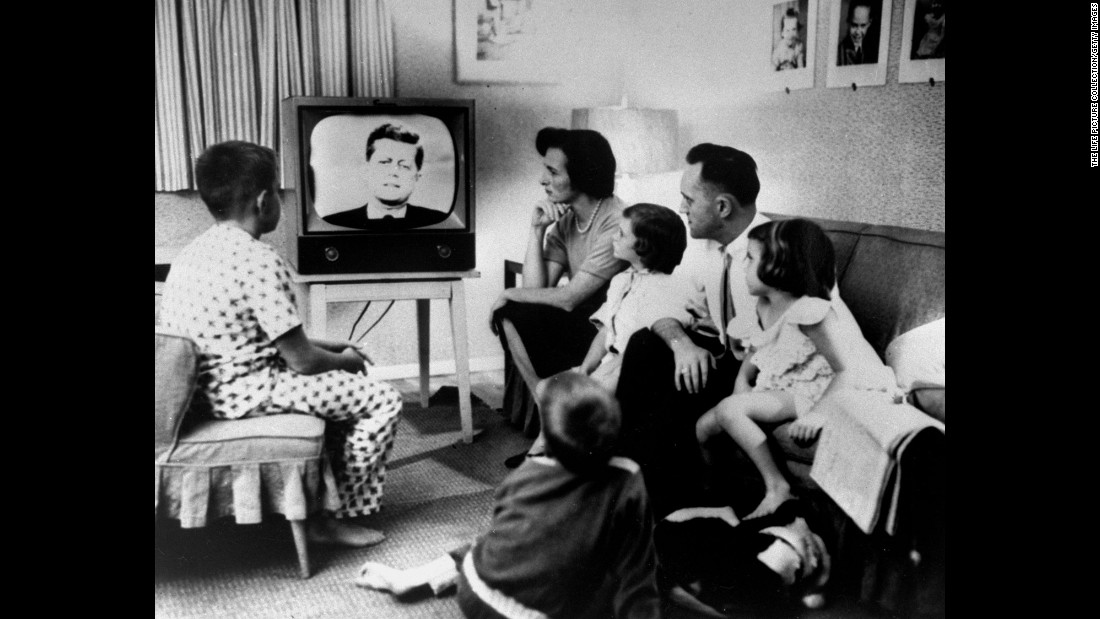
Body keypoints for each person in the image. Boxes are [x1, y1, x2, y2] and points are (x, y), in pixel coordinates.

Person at [160, 140, 403, 547]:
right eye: (276, 190)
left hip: (203, 392)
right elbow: (304, 362)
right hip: (247, 392)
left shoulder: (194, 252)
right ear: (262, 201)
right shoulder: (259, 259)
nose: (279, 200)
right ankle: (333, 515)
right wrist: (345, 361)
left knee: (343, 392)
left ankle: (321, 493)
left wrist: (332, 345)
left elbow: (259, 336)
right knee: (383, 400)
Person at [354, 372, 661, 619]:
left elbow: (500, 528)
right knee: (609, 581)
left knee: (487, 543)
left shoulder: (529, 471)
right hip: (532, 612)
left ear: (549, 438)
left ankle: (416, 577)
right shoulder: (627, 479)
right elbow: (638, 580)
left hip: (475, 590)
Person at [695, 219, 899, 520]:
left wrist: (819, 413)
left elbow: (845, 370)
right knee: (703, 427)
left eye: (750, 258)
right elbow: (757, 349)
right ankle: (721, 498)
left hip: (817, 386)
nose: (743, 265)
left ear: (779, 267)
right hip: (782, 381)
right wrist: (742, 381)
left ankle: (777, 487)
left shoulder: (810, 311)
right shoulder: (763, 304)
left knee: (729, 411)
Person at [612, 143, 771, 518]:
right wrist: (681, 343)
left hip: (765, 371)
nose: (681, 208)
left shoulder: (778, 249)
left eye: (687, 199)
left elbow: (786, 339)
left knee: (676, 392)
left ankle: (656, 505)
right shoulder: (706, 248)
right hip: (726, 357)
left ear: (722, 207)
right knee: (647, 344)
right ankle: (626, 486)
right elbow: (666, 305)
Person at [491, 127, 628, 466]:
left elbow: (568, 297)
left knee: (512, 303)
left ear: (581, 175)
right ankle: (550, 418)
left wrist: (508, 291)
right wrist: (536, 230)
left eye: (552, 171)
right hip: (581, 321)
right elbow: (538, 289)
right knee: (510, 313)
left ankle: (554, 428)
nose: (542, 179)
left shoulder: (616, 221)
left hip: (610, 333)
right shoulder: (567, 222)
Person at [574, 203, 691, 394]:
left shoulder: (662, 288)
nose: (614, 237)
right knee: (550, 387)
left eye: (621, 233)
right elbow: (606, 332)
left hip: (631, 370)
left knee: (579, 400)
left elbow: (636, 348)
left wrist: (598, 377)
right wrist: (586, 368)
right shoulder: (621, 280)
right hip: (610, 365)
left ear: (643, 245)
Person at [322, 122, 450, 230]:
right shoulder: (336, 223)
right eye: (384, 162)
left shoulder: (438, 222)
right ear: (366, 170)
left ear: (417, 176)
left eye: (404, 166)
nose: (393, 172)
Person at [837, 1, 877, 66]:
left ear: (869, 23)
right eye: (854, 25)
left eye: (863, 26)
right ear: (848, 22)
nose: (858, 32)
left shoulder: (872, 51)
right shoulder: (838, 53)